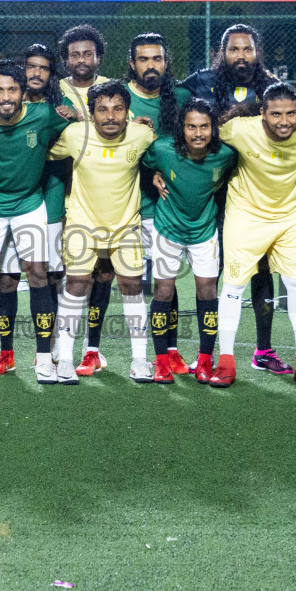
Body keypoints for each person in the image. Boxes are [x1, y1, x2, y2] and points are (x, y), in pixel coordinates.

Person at [0, 60, 72, 382]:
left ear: (23, 92)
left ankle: (44, 358)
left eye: (12, 89)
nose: (5, 96)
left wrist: (76, 114)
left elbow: (79, 126)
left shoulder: (44, 115)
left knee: (38, 274)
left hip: (29, 205)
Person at [183, 24, 284, 373]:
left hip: (257, 194)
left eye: (247, 49)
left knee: (261, 270)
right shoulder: (200, 82)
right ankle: (208, 354)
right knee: (214, 274)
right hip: (212, 193)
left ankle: (264, 350)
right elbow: (174, 115)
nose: (241, 56)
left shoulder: (271, 86)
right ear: (222, 52)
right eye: (234, 49)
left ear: (257, 52)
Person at [212, 83, 296, 386]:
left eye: (291, 114)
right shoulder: (238, 129)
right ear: (262, 113)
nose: (284, 121)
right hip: (245, 216)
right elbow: (196, 138)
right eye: (276, 114)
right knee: (233, 286)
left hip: (290, 217)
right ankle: (225, 363)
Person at [48, 81, 156, 384]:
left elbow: (159, 154)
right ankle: (66, 360)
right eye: (102, 110)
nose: (111, 116)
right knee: (77, 286)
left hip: (126, 227)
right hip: (83, 225)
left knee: (132, 287)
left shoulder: (142, 134)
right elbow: (44, 154)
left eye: (118, 109)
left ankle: (139, 360)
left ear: (128, 111)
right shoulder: (74, 135)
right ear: (91, 113)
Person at [143, 99, 237, 382]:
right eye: (191, 127)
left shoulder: (226, 154)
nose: (198, 133)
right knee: (163, 290)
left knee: (207, 291)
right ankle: (161, 361)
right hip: (167, 228)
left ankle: (205, 360)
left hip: (204, 231)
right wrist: (154, 175)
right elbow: (143, 164)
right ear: (181, 129)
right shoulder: (162, 149)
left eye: (205, 127)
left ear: (213, 129)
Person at [123, 33, 191, 371]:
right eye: (144, 59)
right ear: (132, 64)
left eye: (157, 59)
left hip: (162, 208)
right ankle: (106, 352)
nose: (151, 65)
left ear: (166, 62)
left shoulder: (180, 97)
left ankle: (169, 350)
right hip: (121, 205)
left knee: (166, 281)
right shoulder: (119, 99)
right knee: (121, 279)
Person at [55, 24, 118, 374]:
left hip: (100, 196)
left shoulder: (112, 90)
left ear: (98, 57)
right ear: (66, 59)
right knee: (63, 273)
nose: (82, 59)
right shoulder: (54, 90)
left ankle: (92, 348)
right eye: (75, 54)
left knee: (103, 273)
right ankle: (54, 344)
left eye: (88, 53)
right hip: (58, 190)